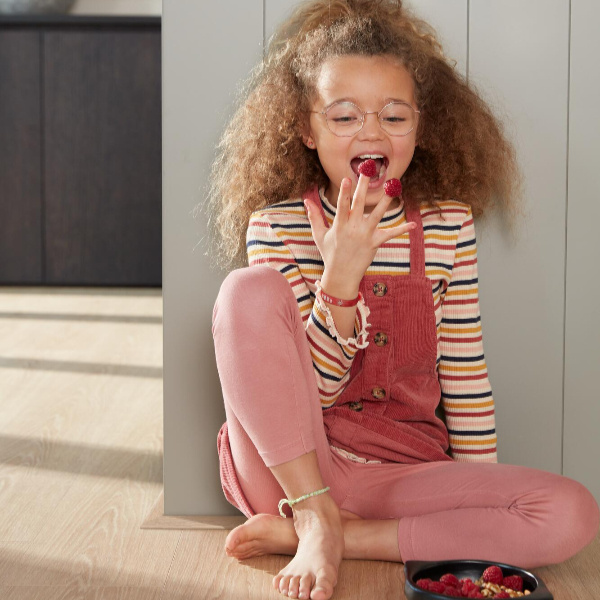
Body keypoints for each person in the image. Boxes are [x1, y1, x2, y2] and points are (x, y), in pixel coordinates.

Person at [203, 2, 600, 599]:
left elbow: (465, 375)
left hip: (405, 474)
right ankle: (312, 517)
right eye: (344, 116)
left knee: (573, 511)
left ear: (419, 126)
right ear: (306, 130)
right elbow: (311, 392)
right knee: (245, 291)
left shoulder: (447, 227)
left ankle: (340, 535)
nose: (371, 132)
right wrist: (340, 278)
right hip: (292, 470)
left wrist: (482, 507)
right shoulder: (275, 227)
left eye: (393, 115)